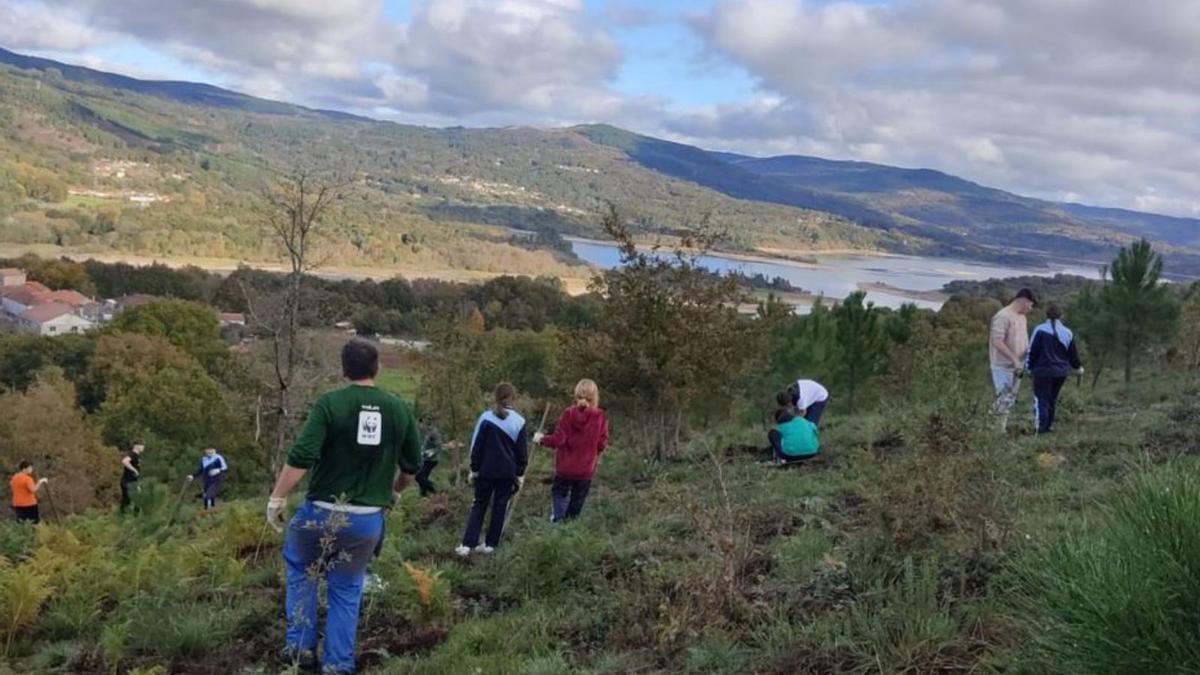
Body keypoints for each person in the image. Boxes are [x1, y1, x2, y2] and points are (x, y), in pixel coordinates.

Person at [266, 339, 421, 675]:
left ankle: (299, 653)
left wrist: (277, 497)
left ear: (344, 368)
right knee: (347, 590)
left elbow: (301, 457)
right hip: (366, 524)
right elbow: (412, 465)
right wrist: (394, 492)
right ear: (376, 367)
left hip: (318, 515)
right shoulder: (397, 408)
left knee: (302, 574)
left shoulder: (329, 404)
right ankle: (337, 665)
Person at [456, 383, 528, 557]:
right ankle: (490, 544)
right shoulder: (520, 422)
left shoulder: (486, 418)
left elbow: (476, 446)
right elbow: (522, 453)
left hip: (486, 471)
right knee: (500, 506)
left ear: (495, 397)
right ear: (513, 398)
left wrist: (473, 468)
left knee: (479, 504)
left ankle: (467, 544)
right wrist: (519, 473)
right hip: (507, 473)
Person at [534, 379, 608, 523]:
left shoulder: (568, 414)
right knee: (577, 500)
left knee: (559, 494)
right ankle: (569, 528)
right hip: (586, 469)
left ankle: (558, 521)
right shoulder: (599, 416)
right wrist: (592, 451)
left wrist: (542, 439)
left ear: (576, 395)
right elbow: (602, 444)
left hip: (565, 467)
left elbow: (558, 439)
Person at [1026, 305, 1083, 434]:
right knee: (1052, 399)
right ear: (1061, 316)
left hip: (1042, 371)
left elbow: (1032, 351)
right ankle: (1049, 426)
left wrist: (1029, 367)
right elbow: (1073, 354)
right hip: (1060, 372)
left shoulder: (1039, 329)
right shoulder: (1067, 332)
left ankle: (1040, 428)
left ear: (1046, 315)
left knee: (1041, 399)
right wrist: (1078, 367)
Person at [990, 288, 1036, 431]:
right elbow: (997, 341)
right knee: (1003, 397)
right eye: (1030, 305)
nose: (1031, 308)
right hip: (1002, 366)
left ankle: (1000, 429)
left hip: (1018, 366)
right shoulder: (1003, 316)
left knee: (1010, 399)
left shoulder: (1022, 317)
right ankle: (995, 429)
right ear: (1024, 301)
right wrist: (1013, 358)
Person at [186, 446, 229, 511]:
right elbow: (200, 470)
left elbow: (225, 468)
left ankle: (209, 511)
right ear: (205, 451)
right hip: (207, 481)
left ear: (214, 450)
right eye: (208, 450)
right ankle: (208, 512)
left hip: (216, 480)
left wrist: (218, 470)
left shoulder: (218, 458)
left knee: (209, 495)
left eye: (211, 450)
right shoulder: (204, 459)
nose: (209, 452)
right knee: (207, 497)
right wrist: (192, 476)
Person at [414, 416, 442, 497]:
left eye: (421, 424)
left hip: (431, 460)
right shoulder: (428, 432)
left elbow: (439, 446)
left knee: (418, 477)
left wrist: (430, 453)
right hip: (426, 459)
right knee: (423, 477)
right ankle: (424, 495)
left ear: (425, 423)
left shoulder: (434, 432)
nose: (420, 426)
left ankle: (435, 490)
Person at [120, 441, 145, 514]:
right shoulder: (133, 454)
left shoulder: (137, 456)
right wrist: (134, 470)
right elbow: (124, 461)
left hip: (132, 481)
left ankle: (123, 516)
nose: (143, 447)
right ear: (136, 446)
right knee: (135, 499)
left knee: (127, 501)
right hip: (128, 482)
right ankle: (133, 516)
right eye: (142, 445)